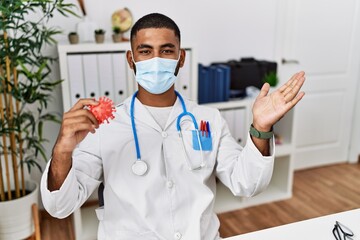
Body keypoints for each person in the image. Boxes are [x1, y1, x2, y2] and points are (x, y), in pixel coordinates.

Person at [41, 13, 305, 240]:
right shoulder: (103, 126)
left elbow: (246, 183)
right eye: (145, 51)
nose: (156, 59)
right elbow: (60, 206)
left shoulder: (208, 119)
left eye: (167, 50)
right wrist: (62, 152)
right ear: (131, 60)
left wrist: (260, 128)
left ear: (181, 59)